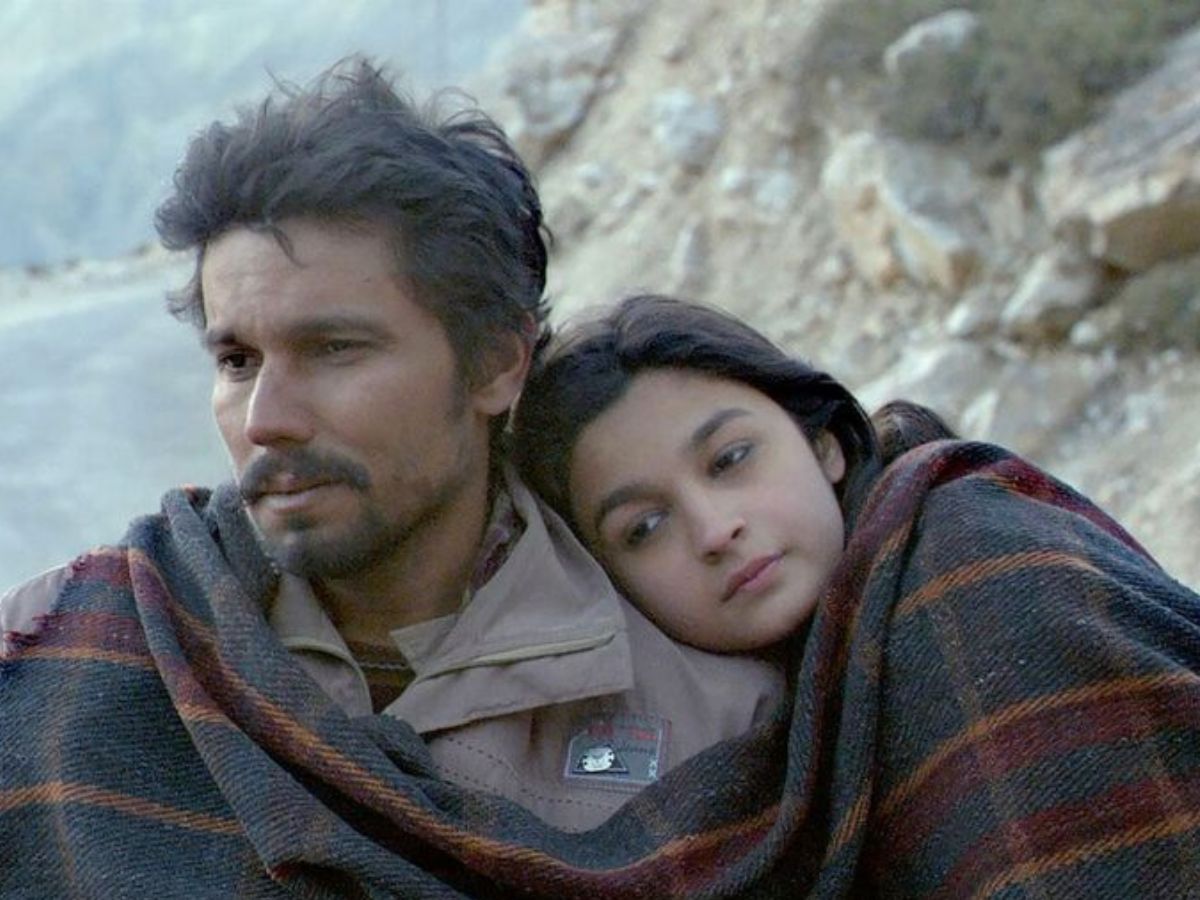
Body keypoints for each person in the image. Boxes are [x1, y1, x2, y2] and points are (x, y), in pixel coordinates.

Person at [0, 61, 785, 896]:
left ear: (497, 363)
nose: (266, 419)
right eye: (237, 360)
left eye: (334, 349)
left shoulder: (709, 719)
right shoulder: (58, 653)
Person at [509, 293, 1200, 896]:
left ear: (824, 445)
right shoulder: (749, 747)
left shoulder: (974, 575)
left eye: (731, 459)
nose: (715, 531)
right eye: (644, 528)